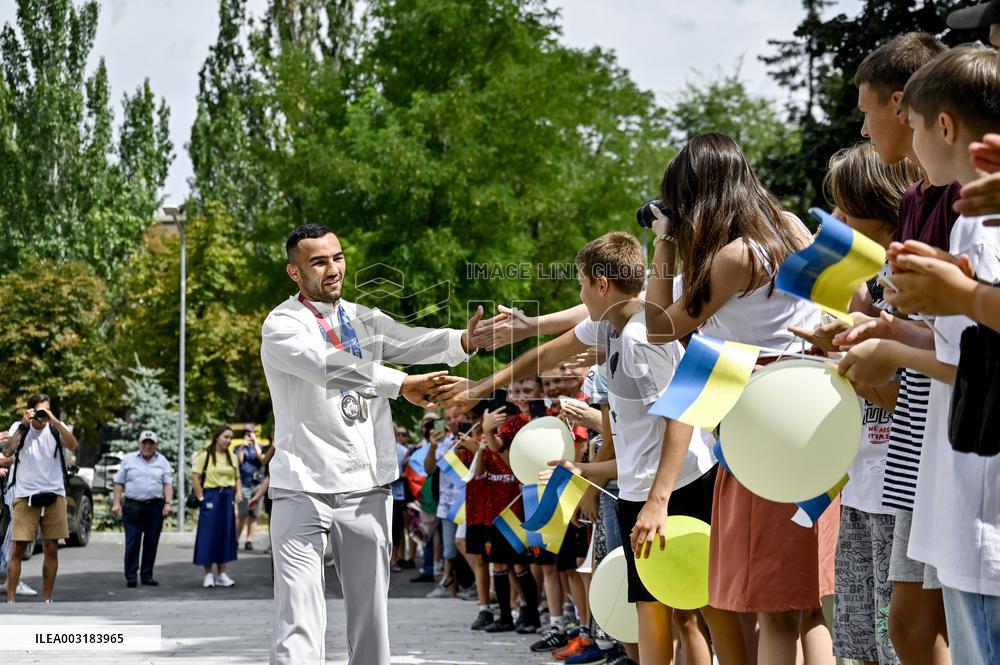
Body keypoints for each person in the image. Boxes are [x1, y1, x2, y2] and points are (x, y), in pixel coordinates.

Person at [443, 231, 718, 665]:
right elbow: (547, 354)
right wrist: (482, 386)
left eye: (581, 283)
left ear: (601, 284)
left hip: (678, 485)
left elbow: (680, 416)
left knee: (685, 610)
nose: (579, 293)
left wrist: (658, 501)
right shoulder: (609, 324)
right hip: (640, 487)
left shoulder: (640, 338)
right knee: (658, 609)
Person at [642, 133, 831, 665]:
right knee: (810, 605)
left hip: (759, 425)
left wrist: (663, 244)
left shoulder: (734, 256)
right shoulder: (790, 227)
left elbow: (658, 327)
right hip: (811, 415)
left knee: (774, 607)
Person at [839, 45, 1000, 665]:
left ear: (944, 126)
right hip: (957, 481)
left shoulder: (976, 221)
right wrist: (890, 334)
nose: (904, 137)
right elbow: (958, 344)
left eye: (914, 124)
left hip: (978, 491)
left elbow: (975, 363)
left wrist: (896, 345)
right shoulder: (968, 217)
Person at [259, 222, 483, 665]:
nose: (333, 269)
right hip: (302, 487)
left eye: (337, 257)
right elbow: (327, 366)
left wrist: (464, 340)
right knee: (298, 618)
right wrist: (401, 384)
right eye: (318, 262)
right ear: (294, 272)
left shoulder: (364, 318)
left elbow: (412, 340)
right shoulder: (282, 324)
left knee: (371, 622)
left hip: (366, 489)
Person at [819, 144, 919, 665]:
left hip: (901, 489)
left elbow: (910, 396)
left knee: (899, 635)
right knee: (864, 642)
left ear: (878, 206)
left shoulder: (911, 283)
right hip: (862, 484)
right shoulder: (868, 285)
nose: (835, 220)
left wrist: (853, 369)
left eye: (845, 205)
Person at [3, 393, 78, 604]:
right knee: (18, 547)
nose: (43, 415)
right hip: (25, 494)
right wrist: (24, 425)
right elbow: (7, 451)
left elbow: (73, 445)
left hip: (54, 493)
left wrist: (55, 421)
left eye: (46, 410)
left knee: (51, 547)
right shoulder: (19, 427)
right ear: (30, 410)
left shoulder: (55, 427)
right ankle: (11, 600)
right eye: (39, 411)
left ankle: (47, 599)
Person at [111, 430, 174, 587]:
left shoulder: (163, 461)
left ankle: (147, 575)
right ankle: (131, 576)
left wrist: (168, 503)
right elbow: (119, 483)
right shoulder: (129, 459)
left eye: (151, 443)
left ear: (156, 445)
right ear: (139, 444)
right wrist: (116, 503)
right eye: (144, 443)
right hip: (133, 505)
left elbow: (167, 484)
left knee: (151, 543)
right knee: (133, 542)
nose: (147, 446)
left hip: (155, 506)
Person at [191, 425, 242, 588]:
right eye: (226, 437)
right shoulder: (205, 455)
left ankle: (222, 574)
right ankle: (208, 574)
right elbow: (195, 477)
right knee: (208, 535)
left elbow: (237, 477)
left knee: (225, 534)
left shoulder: (232, 457)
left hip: (227, 497)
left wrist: (239, 492)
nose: (229, 440)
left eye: (230, 438)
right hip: (211, 496)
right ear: (217, 437)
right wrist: (201, 497)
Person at [236, 424, 264, 551]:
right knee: (242, 514)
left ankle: (249, 540)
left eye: (251, 433)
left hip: (257, 484)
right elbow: (239, 461)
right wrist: (243, 446)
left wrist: (255, 442)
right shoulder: (238, 448)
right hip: (244, 484)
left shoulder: (260, 447)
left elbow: (262, 460)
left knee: (254, 515)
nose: (249, 435)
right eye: (247, 433)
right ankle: (236, 540)